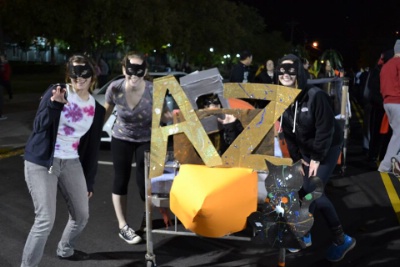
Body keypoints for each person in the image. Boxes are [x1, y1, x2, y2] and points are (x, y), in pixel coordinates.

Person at [21, 54, 105, 266]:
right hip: (42, 161)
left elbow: (92, 148)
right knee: (45, 220)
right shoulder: (58, 91)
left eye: (83, 72)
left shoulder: (96, 109)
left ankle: (65, 248)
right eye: (74, 73)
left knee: (82, 215)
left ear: (92, 75)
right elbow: (38, 126)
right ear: (69, 74)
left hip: (71, 161)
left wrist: (89, 180)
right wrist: (54, 106)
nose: (79, 78)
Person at [278, 54, 356, 262]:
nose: (286, 74)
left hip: (327, 147)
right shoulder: (283, 98)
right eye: (282, 70)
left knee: (313, 191)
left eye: (291, 70)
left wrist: (316, 158)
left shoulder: (315, 96)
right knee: (308, 192)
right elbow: (288, 133)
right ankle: (320, 235)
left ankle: (327, 236)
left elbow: (325, 129)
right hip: (306, 150)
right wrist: (297, 160)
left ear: (299, 73)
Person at [104, 51, 173, 245]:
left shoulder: (153, 90)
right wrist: (88, 136)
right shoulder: (115, 88)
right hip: (121, 137)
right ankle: (123, 226)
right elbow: (104, 114)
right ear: (124, 68)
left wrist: (176, 117)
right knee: (120, 178)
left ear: (146, 71)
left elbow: (165, 116)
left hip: (146, 138)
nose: (134, 74)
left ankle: (147, 216)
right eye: (130, 69)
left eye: (139, 70)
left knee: (145, 181)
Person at [365, 50, 393, 164]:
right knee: (377, 134)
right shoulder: (377, 72)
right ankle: (372, 157)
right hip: (380, 109)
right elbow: (373, 92)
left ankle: (384, 158)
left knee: (389, 136)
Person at [378, 40, 400, 176]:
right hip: (398, 101)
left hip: (387, 102)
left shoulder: (386, 65)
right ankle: (386, 165)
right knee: (398, 135)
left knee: (397, 134)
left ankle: (395, 163)